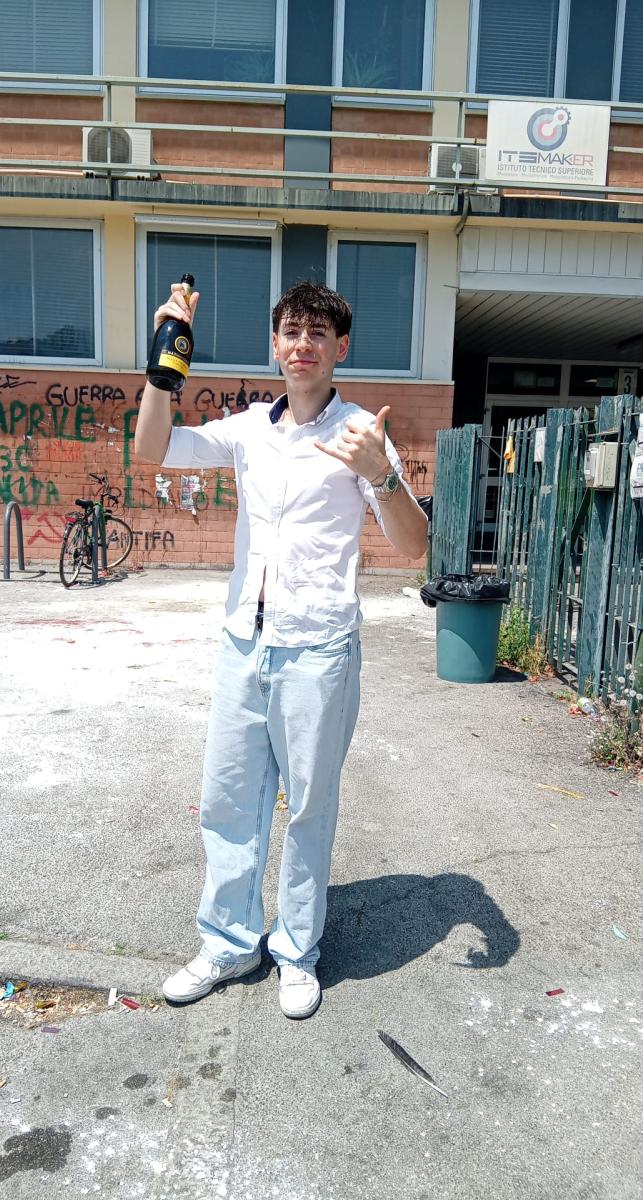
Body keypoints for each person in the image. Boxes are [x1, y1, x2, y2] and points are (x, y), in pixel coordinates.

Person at [135, 280, 428, 1019]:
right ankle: (230, 942)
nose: (303, 345)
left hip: (318, 648)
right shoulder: (247, 431)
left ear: (340, 349)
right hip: (245, 641)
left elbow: (414, 546)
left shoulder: (361, 433)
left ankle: (297, 951)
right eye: (291, 332)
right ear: (275, 345)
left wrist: (382, 475)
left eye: (317, 334)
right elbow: (152, 448)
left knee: (307, 810)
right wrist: (164, 362)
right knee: (229, 803)